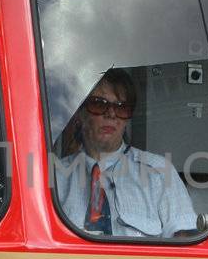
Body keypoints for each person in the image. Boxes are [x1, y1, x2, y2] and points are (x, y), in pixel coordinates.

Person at [54, 68, 196, 239]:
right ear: (80, 113)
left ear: (127, 118)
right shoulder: (56, 176)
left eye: (121, 108)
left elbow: (186, 244)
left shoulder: (159, 172)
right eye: (100, 104)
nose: (111, 114)